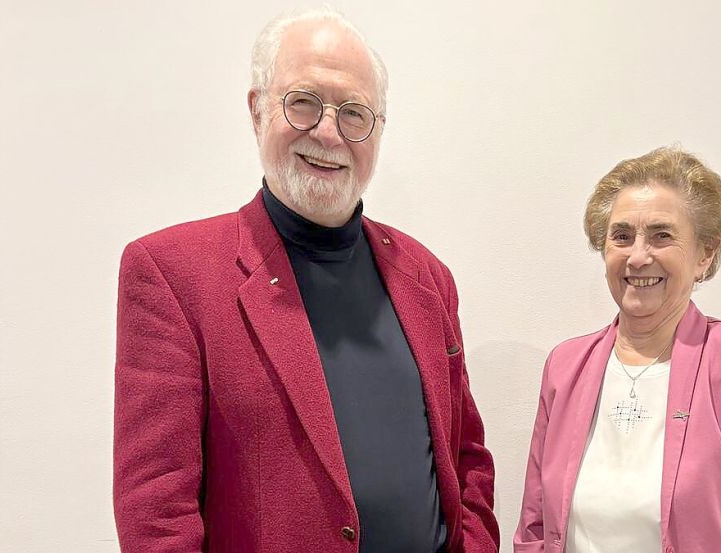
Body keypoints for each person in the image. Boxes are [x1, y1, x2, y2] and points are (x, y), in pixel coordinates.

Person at [113, 8, 498, 553]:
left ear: (378, 131)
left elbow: (468, 462)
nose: (328, 132)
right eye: (304, 103)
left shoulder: (428, 278)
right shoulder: (172, 274)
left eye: (354, 114)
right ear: (257, 109)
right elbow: (156, 516)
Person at [513, 146, 721, 553]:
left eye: (662, 235)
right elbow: (534, 528)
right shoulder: (565, 365)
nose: (638, 256)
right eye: (621, 236)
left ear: (704, 255)